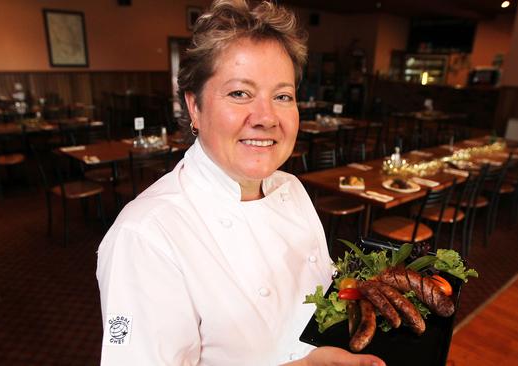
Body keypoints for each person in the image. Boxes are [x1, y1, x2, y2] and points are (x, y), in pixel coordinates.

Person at [96, 1, 385, 365]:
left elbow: (322, 298)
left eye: (282, 96)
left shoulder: (291, 188)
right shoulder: (146, 235)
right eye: (239, 93)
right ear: (195, 107)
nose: (266, 117)